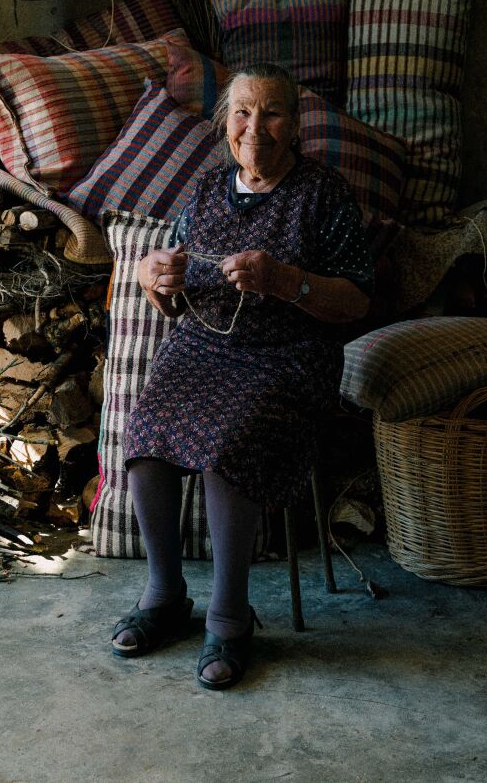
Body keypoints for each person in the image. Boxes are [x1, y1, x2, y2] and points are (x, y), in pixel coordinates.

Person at [111, 62, 376, 690]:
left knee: (229, 443)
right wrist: (155, 282)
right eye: (242, 112)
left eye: (272, 112)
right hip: (203, 349)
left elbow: (358, 300)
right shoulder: (205, 192)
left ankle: (230, 619)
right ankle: (165, 598)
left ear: (295, 125)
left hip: (289, 355)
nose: (254, 127)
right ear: (225, 123)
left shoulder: (322, 194)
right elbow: (175, 293)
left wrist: (289, 281)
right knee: (147, 432)